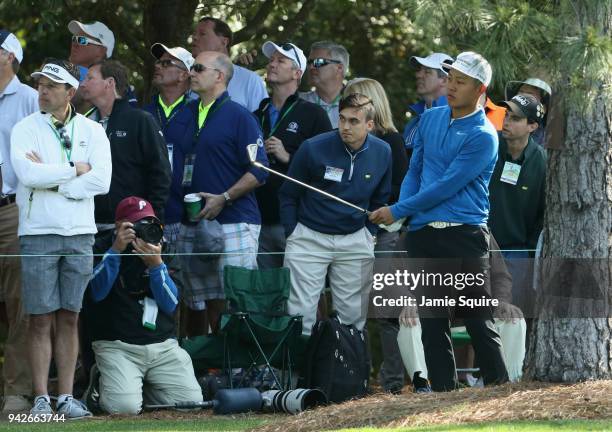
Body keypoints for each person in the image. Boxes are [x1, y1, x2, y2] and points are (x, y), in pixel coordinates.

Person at [369, 51, 509, 391]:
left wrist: (398, 210)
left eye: (461, 82)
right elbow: (416, 169)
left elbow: (447, 186)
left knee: (478, 320)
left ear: (480, 89)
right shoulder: (430, 118)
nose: (452, 86)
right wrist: (408, 213)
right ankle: (445, 395)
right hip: (424, 235)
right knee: (433, 324)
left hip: (465, 236)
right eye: (450, 79)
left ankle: (499, 389)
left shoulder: (484, 135)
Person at [10, 59, 112, 417]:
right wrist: (73, 170)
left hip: (80, 233)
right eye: (40, 84)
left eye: (52, 85)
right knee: (39, 318)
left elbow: (102, 182)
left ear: (70, 92)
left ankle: (66, 397)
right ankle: (41, 398)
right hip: (38, 232)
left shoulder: (93, 130)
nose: (42, 90)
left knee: (70, 315)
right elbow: (26, 173)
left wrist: (58, 185)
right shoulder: (25, 128)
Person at [280, 93, 392, 335]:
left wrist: (368, 232)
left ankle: (347, 372)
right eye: (342, 119)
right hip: (308, 237)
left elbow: (381, 197)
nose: (345, 127)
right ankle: (301, 372)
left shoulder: (383, 152)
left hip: (354, 239)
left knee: (352, 319)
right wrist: (293, 232)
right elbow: (288, 194)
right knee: (299, 316)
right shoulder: (312, 147)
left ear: (369, 125)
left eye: (354, 121)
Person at [84, 196, 202, 415]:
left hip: (162, 346)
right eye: (137, 224)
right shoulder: (101, 245)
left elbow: (171, 304)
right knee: (124, 409)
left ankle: (137, 385)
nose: (144, 231)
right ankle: (102, 380)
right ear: (119, 226)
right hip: (118, 346)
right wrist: (115, 251)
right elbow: (96, 293)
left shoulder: (163, 248)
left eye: (149, 223)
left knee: (191, 403)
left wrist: (156, 266)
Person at [178, 50, 268, 334]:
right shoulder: (187, 112)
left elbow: (260, 170)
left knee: (237, 299)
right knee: (207, 299)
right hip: (195, 219)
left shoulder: (240, 116)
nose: (190, 73)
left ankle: (244, 368)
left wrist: (225, 197)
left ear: (219, 75)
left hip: (236, 220)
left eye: (198, 68)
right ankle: (220, 365)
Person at [343, 77, 408, 393]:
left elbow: (401, 191)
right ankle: (356, 376)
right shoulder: (342, 144)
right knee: (351, 307)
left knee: (386, 310)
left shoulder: (393, 142)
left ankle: (392, 381)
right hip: (350, 234)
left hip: (385, 235)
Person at [396, 236, 526, 389]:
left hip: (482, 318)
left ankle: (504, 385)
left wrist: (501, 301)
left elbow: (500, 276)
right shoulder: (411, 236)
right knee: (409, 323)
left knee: (514, 321)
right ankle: (423, 385)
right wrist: (408, 300)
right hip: (431, 318)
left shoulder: (480, 231)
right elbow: (395, 278)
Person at [254, 41, 331, 269]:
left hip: (297, 221)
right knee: (265, 295)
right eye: (271, 60)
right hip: (256, 219)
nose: (272, 64)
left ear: (297, 73)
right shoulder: (255, 114)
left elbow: (328, 168)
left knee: (304, 295)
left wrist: (288, 156)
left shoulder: (314, 114)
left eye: (281, 60)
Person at [80, 59, 171, 225]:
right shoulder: (83, 125)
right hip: (88, 225)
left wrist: (151, 219)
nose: (82, 84)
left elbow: (161, 173)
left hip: (132, 224)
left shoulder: (140, 120)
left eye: (89, 78)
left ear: (109, 83)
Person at [0, 29, 38, 413]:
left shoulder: (30, 99)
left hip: (12, 210)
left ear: (10, 55)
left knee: (18, 303)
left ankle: (16, 390)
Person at [489, 93, 546, 314]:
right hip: (480, 247)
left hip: (517, 253)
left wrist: (528, 254)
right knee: (471, 323)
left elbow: (543, 215)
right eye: (507, 115)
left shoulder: (542, 162)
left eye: (515, 118)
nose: (506, 122)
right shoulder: (489, 144)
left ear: (532, 126)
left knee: (510, 320)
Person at [143, 43, 196, 253]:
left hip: (186, 217)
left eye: (166, 63)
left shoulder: (197, 112)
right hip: (147, 214)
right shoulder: (144, 113)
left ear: (184, 75)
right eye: (158, 62)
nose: (158, 66)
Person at [191, 17, 267, 111]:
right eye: (194, 34)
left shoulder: (250, 80)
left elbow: (262, 122)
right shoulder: (187, 77)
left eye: (202, 34)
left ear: (224, 42)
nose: (194, 37)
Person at [402, 52, 453, 149]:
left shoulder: (455, 119)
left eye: (427, 71)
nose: (418, 75)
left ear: (444, 80)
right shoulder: (413, 123)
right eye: (420, 70)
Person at [299, 41, 350, 128]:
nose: (311, 67)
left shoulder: (357, 103)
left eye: (318, 62)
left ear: (339, 68)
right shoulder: (298, 102)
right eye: (309, 62)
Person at [505, 78, 552, 146]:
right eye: (521, 92)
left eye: (530, 94)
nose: (522, 96)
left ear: (543, 108)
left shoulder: (540, 142)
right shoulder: (502, 117)